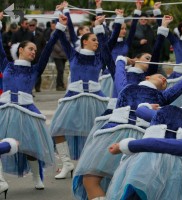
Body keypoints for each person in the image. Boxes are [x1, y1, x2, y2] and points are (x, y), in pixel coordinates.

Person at [72, 62, 182, 200]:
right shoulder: (126, 88)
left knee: (129, 184)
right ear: (147, 77)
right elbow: (119, 74)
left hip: (140, 139)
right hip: (114, 133)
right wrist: (120, 61)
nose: (164, 79)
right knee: (89, 179)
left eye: (166, 81)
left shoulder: (162, 97)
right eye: (161, 76)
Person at [50, 13, 120, 180]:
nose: (97, 42)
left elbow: (112, 40)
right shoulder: (73, 54)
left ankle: (91, 164)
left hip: (96, 97)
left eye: (97, 40)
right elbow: (60, 36)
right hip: (73, 97)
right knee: (57, 129)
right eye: (94, 39)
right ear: (84, 41)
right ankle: (67, 164)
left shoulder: (100, 57)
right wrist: (60, 21)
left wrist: (112, 22)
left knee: (98, 132)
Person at [0, 12, 64, 190]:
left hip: (26, 110)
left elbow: (49, 47)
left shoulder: (35, 69)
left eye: (35, 51)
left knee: (31, 147)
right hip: (4, 109)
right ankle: (0, 181)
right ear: (20, 49)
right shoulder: (6, 65)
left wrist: (59, 27)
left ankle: (37, 177)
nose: (34, 52)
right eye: (30, 49)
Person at [106, 104, 182, 200]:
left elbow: (141, 111)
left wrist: (146, 106)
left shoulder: (165, 113)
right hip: (178, 164)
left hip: (151, 157)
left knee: (139, 190)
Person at [28, 19, 46, 93]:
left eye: (33, 25)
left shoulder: (40, 35)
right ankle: (29, 87)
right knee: (28, 72)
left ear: (35, 26)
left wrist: (42, 54)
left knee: (38, 72)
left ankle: (37, 87)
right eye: (30, 25)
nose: (32, 27)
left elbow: (44, 45)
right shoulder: (26, 34)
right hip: (28, 57)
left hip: (38, 56)